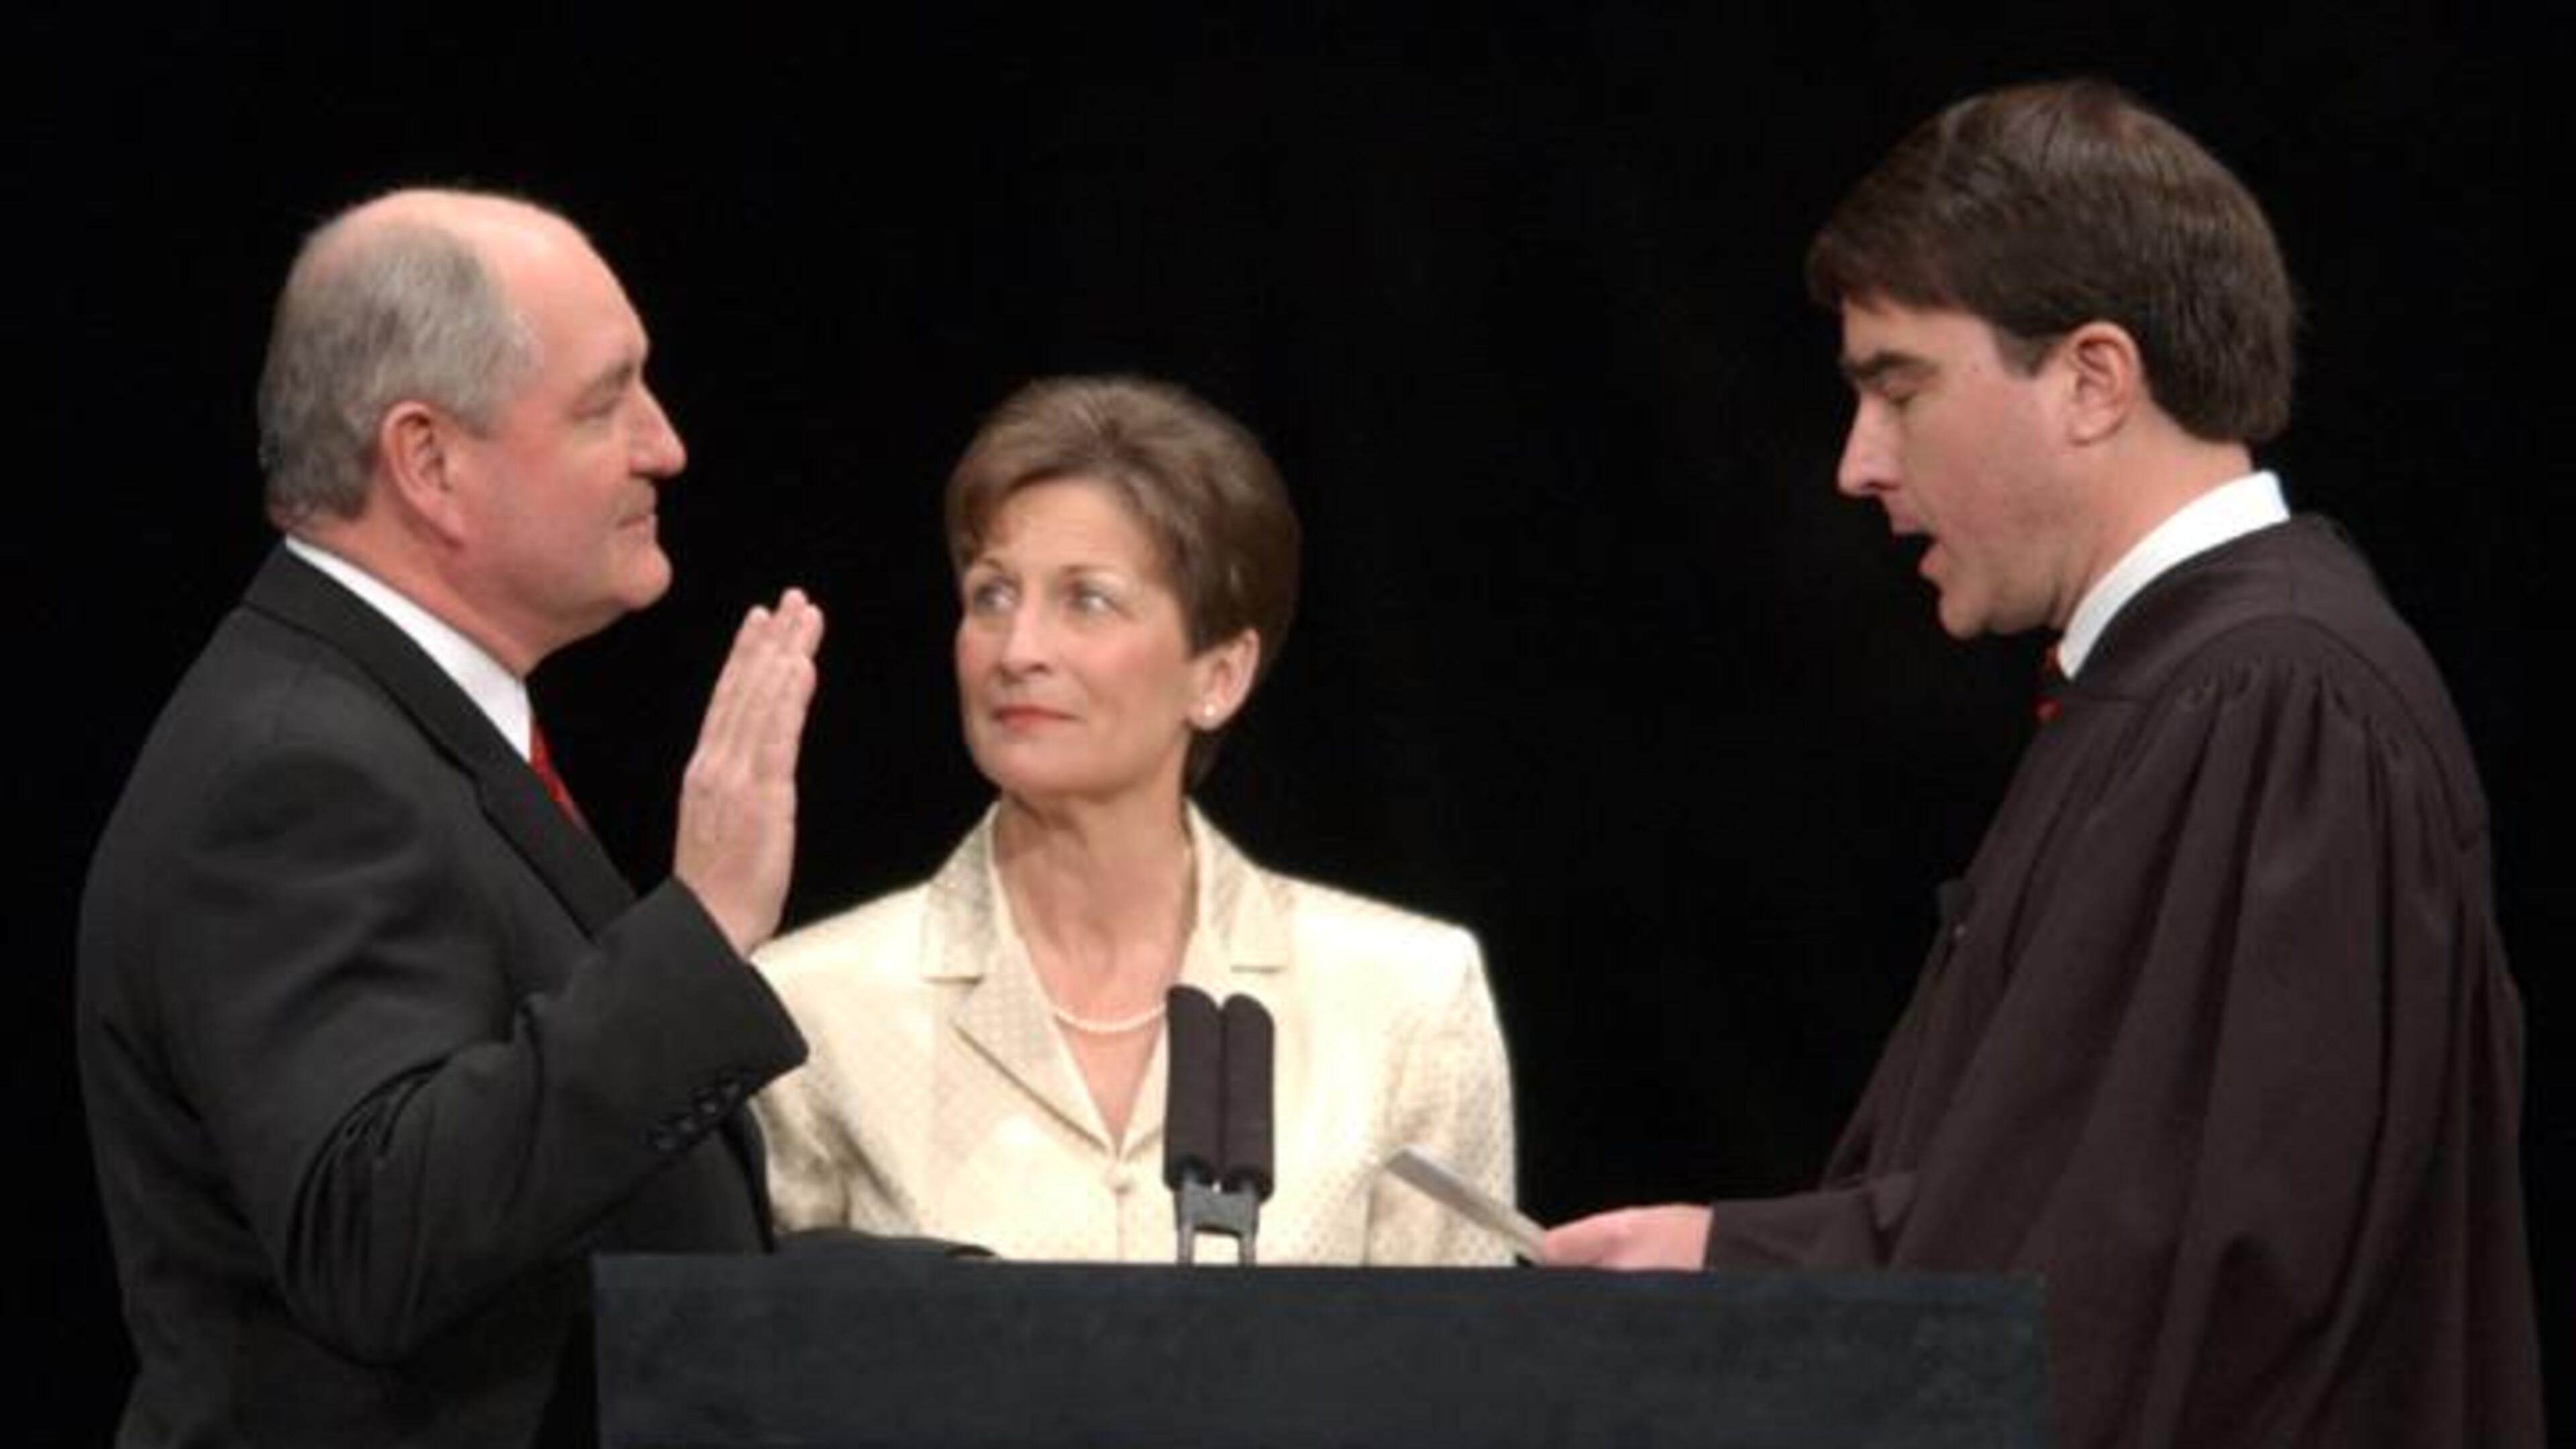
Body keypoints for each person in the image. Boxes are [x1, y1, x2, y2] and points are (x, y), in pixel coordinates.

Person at [1543, 80, 2542, 1448]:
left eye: (1899, 387)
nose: (1857, 463)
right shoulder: (2194, 686)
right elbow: (2066, 1211)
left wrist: (1757, 1319)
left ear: (2091, 379)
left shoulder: (2274, 707)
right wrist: (1725, 1265)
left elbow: (2168, 1297)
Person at [77, 189, 824, 1448]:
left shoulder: (386, 720)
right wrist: (698, 932)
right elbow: (378, 1231)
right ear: (428, 462)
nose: (667, 444)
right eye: (606, 403)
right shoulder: (297, 773)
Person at [753, 375, 1515, 1264]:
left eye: (1088, 600)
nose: (1020, 650)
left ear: (1219, 676)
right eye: (993, 595)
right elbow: (767, 1377)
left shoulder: (1405, 1001)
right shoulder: (814, 1008)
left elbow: (1458, 1381)